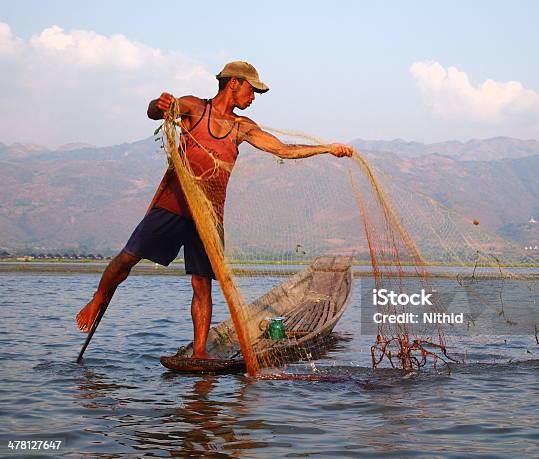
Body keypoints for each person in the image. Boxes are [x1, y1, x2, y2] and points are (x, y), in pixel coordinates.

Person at [75, 61, 353, 358]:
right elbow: (155, 112)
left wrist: (326, 149)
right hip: (175, 204)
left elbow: (283, 150)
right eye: (252, 89)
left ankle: (199, 353)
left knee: (202, 284)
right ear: (234, 83)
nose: (254, 97)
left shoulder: (242, 127)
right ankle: (99, 297)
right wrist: (160, 103)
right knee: (128, 257)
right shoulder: (194, 108)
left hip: (209, 216)